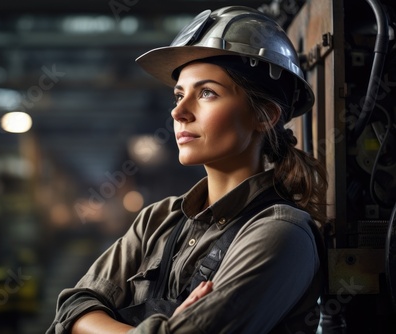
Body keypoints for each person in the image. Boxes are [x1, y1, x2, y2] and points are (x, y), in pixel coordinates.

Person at [46, 5, 328, 334]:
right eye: (178, 95)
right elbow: (69, 310)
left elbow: (81, 321)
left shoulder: (280, 233)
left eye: (207, 93)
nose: (179, 111)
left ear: (264, 116)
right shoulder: (158, 220)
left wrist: (102, 323)